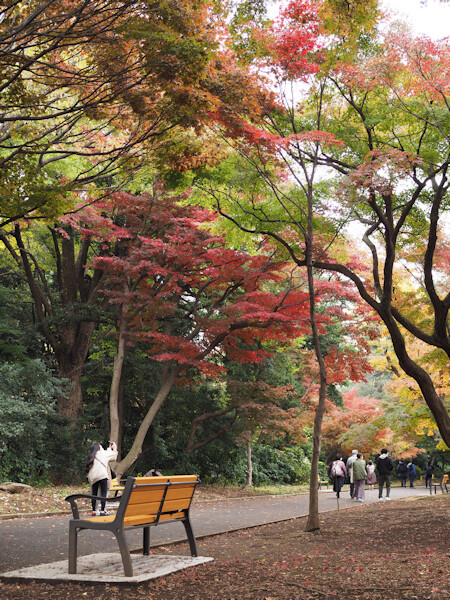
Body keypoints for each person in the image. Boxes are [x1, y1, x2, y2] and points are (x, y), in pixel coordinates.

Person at [85, 441, 118, 516]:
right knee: (104, 493)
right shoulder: (102, 453)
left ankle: (94, 511)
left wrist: (109, 449)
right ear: (99, 448)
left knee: (94, 494)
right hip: (102, 475)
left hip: (92, 477)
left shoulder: (91, 455)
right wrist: (114, 448)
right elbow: (113, 455)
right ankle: (103, 510)